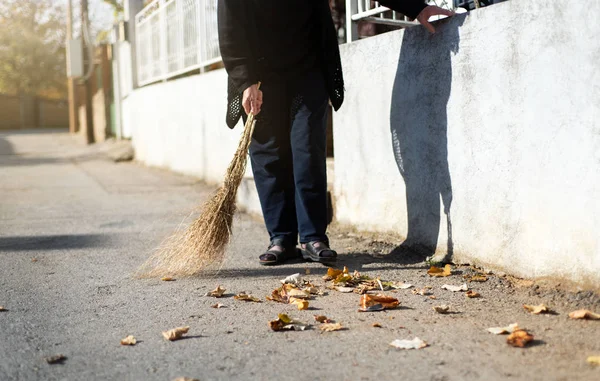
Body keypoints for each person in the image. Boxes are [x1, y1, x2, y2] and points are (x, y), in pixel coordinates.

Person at [217, 0, 454, 265]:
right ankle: (282, 239)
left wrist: (417, 8)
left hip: (307, 70)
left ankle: (312, 237)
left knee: (307, 149)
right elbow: (230, 28)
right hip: (259, 76)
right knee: (269, 155)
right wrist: (246, 80)